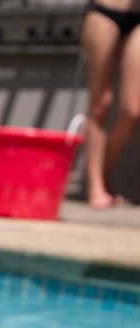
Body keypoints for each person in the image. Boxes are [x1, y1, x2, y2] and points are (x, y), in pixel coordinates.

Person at [81, 1, 140, 208]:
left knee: (132, 110)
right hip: (105, 11)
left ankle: (103, 172)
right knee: (101, 104)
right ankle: (96, 185)